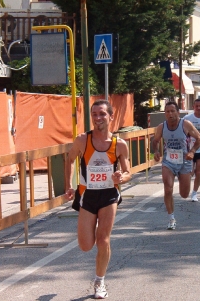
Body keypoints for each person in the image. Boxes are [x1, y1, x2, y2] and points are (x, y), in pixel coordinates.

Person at [64, 99, 131, 299]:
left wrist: (122, 177)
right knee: (86, 245)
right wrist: (68, 185)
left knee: (103, 240)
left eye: (102, 114)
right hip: (87, 195)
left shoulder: (119, 144)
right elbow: (69, 160)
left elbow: (128, 172)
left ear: (111, 117)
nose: (98, 118)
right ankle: (91, 230)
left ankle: (99, 281)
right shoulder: (83, 140)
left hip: (109, 195)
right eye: (94, 114)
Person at [152, 101, 200, 229]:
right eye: (167, 112)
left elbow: (199, 138)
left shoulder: (185, 124)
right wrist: (156, 151)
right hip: (168, 161)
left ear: (178, 113)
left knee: (184, 194)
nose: (170, 114)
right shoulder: (161, 127)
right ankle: (171, 218)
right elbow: (155, 140)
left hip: (184, 161)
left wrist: (192, 151)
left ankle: (185, 178)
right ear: (165, 114)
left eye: (173, 111)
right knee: (168, 189)